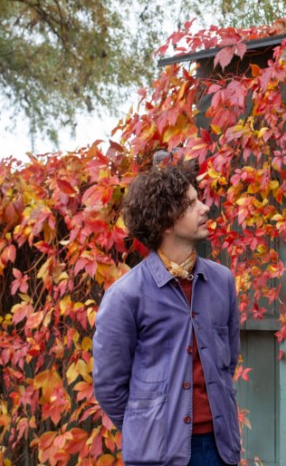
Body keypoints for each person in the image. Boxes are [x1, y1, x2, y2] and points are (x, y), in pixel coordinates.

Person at [93, 160, 241, 465]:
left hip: (219, 449)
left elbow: (228, 361)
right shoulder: (125, 296)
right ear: (165, 222)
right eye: (191, 204)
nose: (204, 208)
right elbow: (110, 386)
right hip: (158, 456)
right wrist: (149, 429)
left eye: (200, 199)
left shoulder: (222, 282)